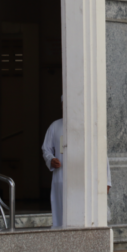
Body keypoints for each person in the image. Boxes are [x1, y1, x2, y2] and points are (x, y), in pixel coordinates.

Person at [42, 96, 112, 227]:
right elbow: (46, 149)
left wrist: (106, 181)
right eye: (64, 104)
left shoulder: (89, 126)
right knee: (61, 217)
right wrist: (51, 159)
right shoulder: (55, 126)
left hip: (85, 181)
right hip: (61, 179)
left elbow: (101, 155)